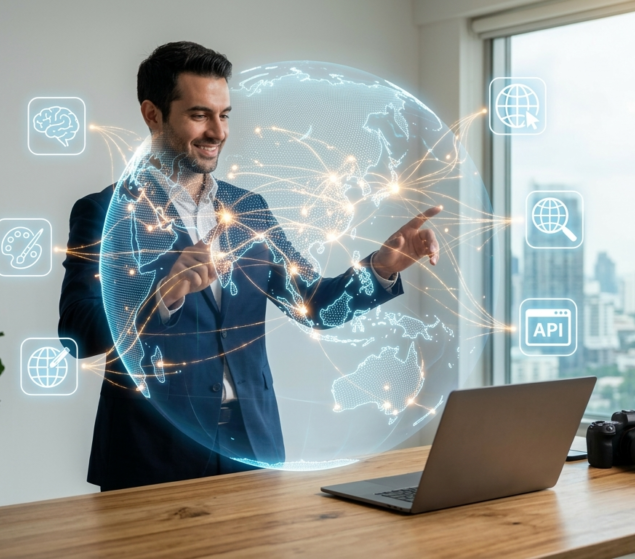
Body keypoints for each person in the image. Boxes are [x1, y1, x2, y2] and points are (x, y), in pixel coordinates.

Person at [58, 41, 441, 491]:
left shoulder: (248, 209)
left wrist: (381, 267)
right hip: (153, 455)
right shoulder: (105, 213)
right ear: (152, 115)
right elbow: (76, 334)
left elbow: (314, 307)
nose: (217, 132)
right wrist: (162, 294)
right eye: (199, 115)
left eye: (224, 115)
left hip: (254, 449)